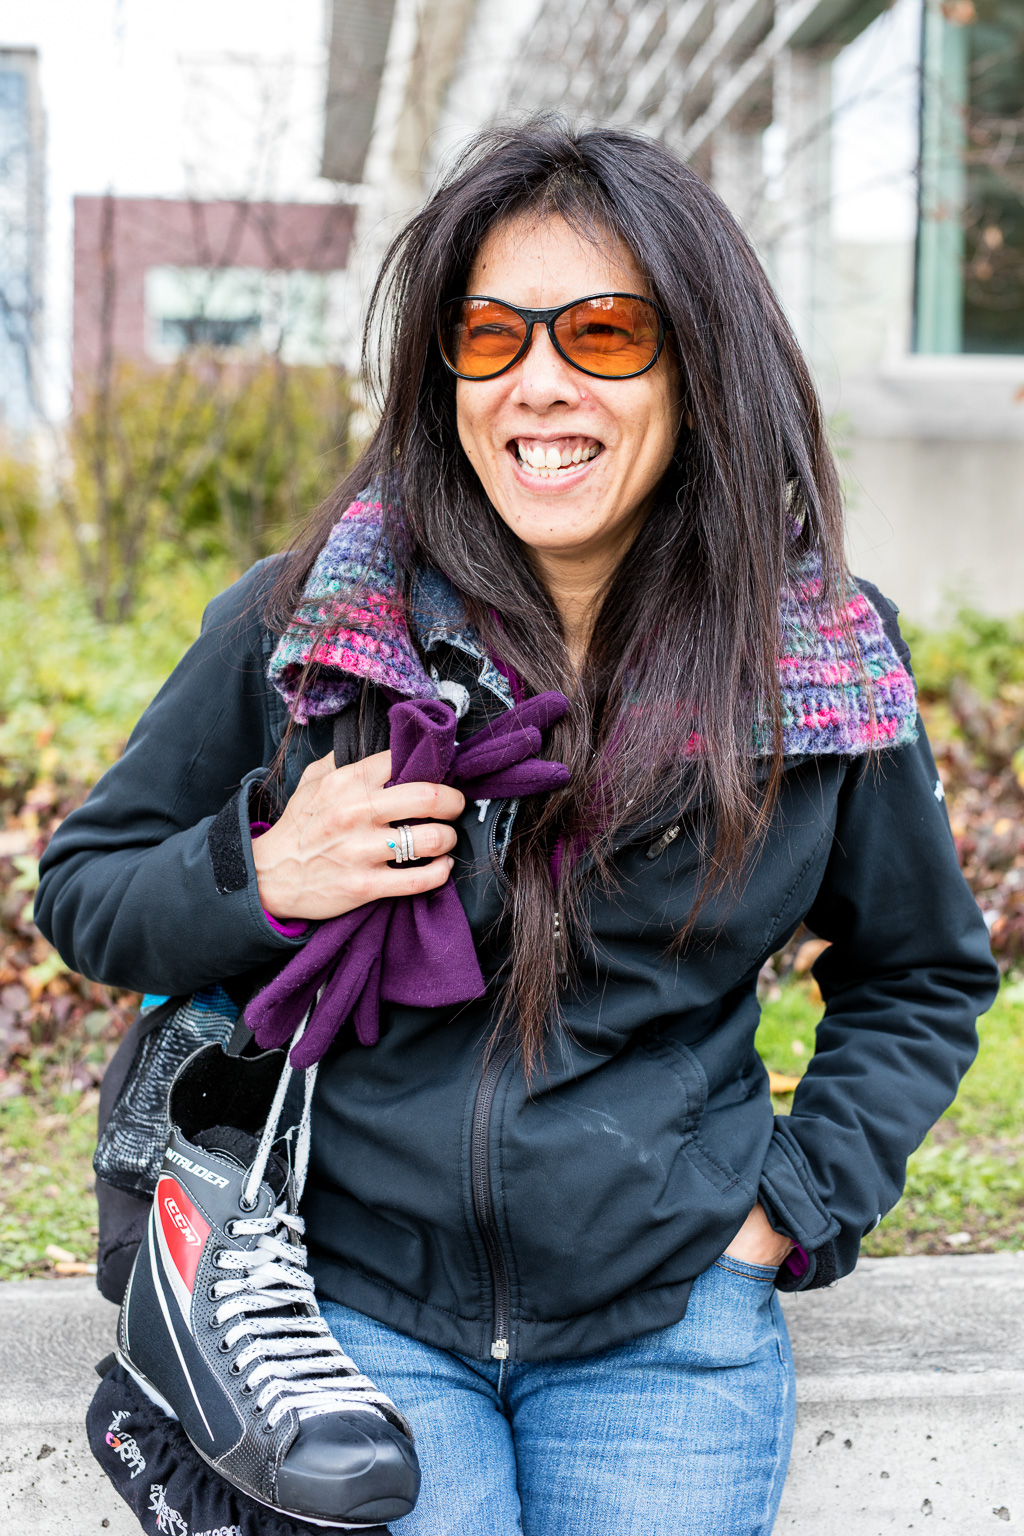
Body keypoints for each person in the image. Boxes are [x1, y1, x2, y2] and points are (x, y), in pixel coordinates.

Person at [37, 120, 998, 1536]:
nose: (539, 385)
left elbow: (921, 975)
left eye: (604, 333)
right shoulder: (305, 623)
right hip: (356, 1305)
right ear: (447, 371)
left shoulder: (820, 660)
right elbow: (87, 889)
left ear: (695, 365)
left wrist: (784, 1208)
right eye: (491, 337)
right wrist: (263, 869)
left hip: (670, 1319)